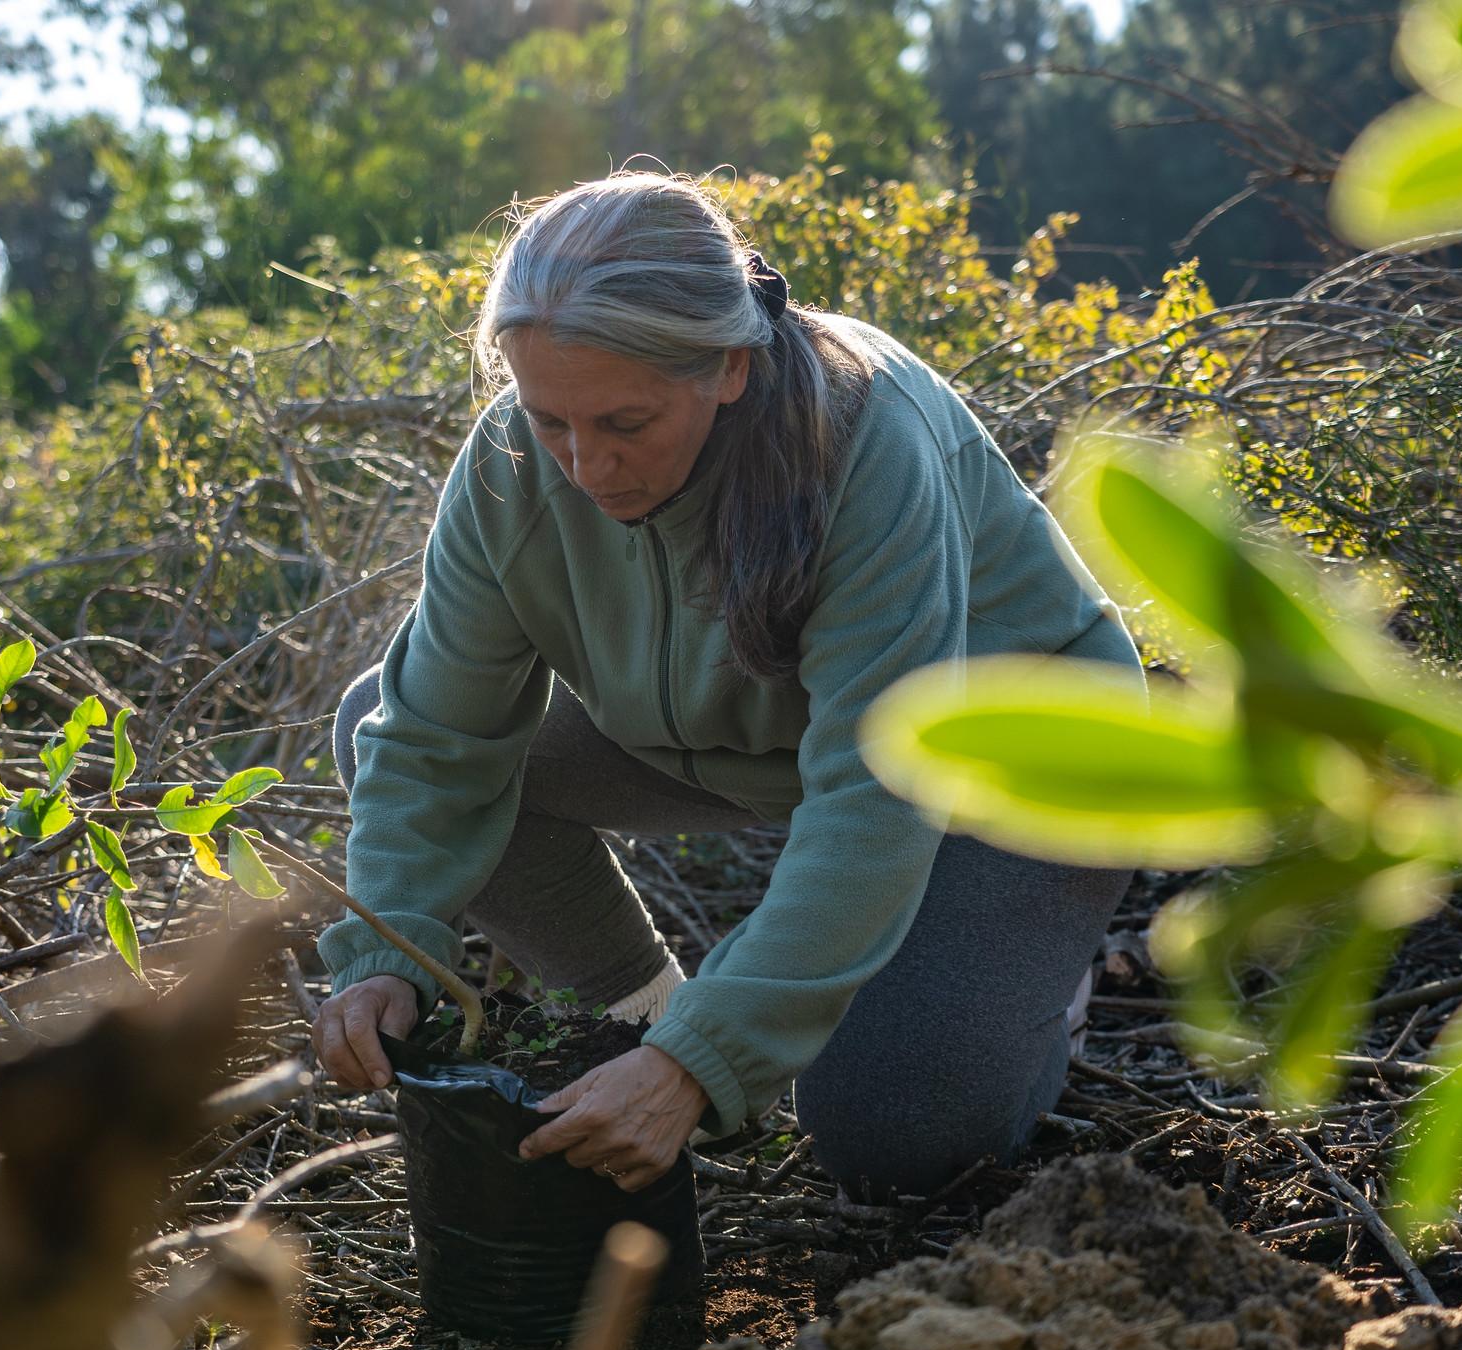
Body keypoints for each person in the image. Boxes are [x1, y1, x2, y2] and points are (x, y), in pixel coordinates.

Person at [309, 170, 1144, 1202]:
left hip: (1014, 758)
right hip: (769, 746)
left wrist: (706, 1064)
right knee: (374, 719)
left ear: (730, 368)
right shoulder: (511, 467)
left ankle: (1036, 996)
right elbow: (435, 740)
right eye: (550, 420)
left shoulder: (863, 444)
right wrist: (385, 951)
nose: (586, 467)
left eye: (624, 422)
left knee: (892, 1143)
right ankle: (634, 1020)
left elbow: (873, 794)